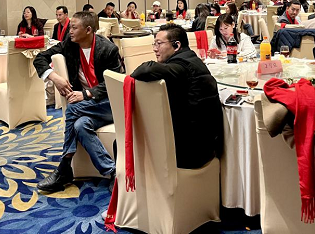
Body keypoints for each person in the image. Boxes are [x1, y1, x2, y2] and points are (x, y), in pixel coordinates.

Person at [34, 12, 122, 192]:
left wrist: (87, 93)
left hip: (110, 104)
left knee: (73, 108)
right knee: (80, 125)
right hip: (88, 108)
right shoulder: (70, 44)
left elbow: (115, 82)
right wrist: (55, 78)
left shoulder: (108, 49)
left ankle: (64, 167)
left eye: (74, 27)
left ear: (88, 30)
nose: (70, 31)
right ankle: (112, 171)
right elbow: (40, 58)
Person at [131, 25, 223, 168]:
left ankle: (129, 182)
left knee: (128, 141)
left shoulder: (181, 67)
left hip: (192, 152)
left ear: (176, 45)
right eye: (154, 44)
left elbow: (147, 69)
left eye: (159, 44)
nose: (155, 49)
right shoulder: (193, 59)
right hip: (205, 144)